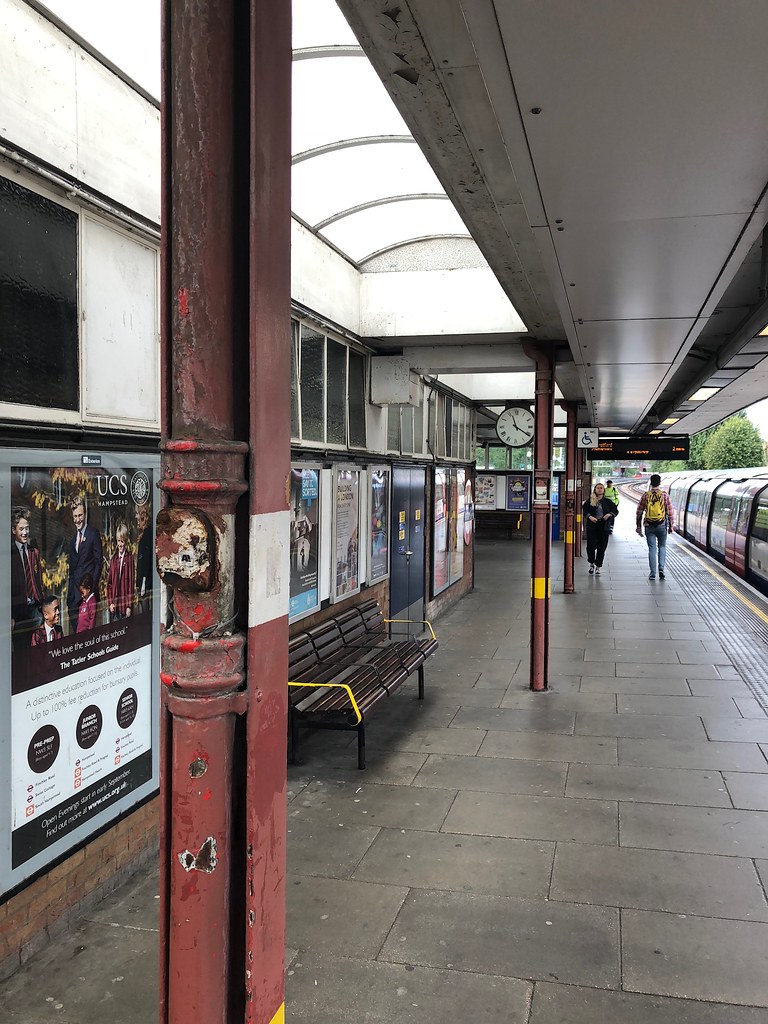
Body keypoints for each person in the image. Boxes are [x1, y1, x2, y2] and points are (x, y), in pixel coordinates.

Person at [66, 497, 103, 633]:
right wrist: (69, 596)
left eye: (80, 515)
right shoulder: (72, 541)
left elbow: (99, 563)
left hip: (88, 595)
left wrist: (91, 589)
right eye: (75, 516)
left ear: (85, 514)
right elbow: (72, 570)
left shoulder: (93, 534)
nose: (78, 519)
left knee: (89, 635)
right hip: (74, 598)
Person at [10, 507, 44, 650]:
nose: (25, 532)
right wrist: (10, 615)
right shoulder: (9, 554)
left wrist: (43, 607)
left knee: (37, 650)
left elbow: (39, 582)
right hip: (18, 612)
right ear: (14, 530)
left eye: (27, 528)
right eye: (21, 529)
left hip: (34, 610)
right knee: (20, 651)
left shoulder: (33, 552)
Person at [636, 473, 675, 579]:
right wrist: (671, 525)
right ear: (660, 482)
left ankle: (653, 573)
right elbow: (670, 512)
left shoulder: (645, 495)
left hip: (649, 525)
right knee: (662, 547)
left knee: (652, 549)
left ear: (651, 482)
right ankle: (661, 568)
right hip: (662, 525)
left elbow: (639, 512)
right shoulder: (664, 495)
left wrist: (638, 526)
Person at [582, 482, 618, 576]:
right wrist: (590, 517)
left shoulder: (608, 502)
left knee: (602, 547)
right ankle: (591, 563)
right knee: (591, 546)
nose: (599, 489)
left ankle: (598, 566)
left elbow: (615, 511)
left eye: (601, 488)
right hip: (592, 525)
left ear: (604, 490)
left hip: (604, 526)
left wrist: (609, 514)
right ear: (595, 489)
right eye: (598, 488)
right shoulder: (590, 501)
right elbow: (585, 511)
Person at [107, 523, 135, 621]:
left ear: (126, 541)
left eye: (122, 541)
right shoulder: (113, 560)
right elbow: (109, 584)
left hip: (125, 607)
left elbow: (130, 584)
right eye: (118, 541)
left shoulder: (129, 558)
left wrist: (129, 605)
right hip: (115, 607)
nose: (120, 544)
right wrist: (110, 602)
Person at [135, 504, 153, 615]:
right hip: (143, 582)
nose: (136, 516)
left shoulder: (147, 534)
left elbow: (146, 561)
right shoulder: (145, 533)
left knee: (144, 609)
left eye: (137, 513)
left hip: (145, 583)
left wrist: (143, 583)